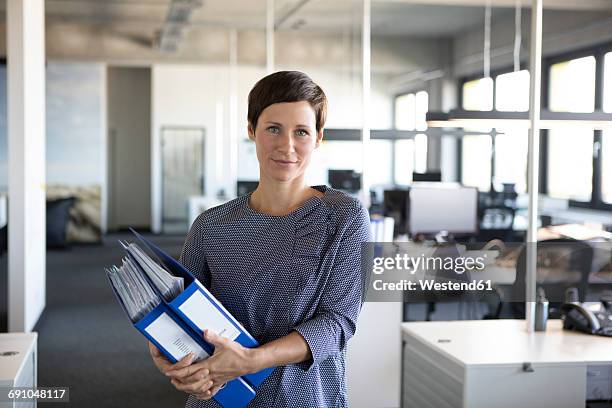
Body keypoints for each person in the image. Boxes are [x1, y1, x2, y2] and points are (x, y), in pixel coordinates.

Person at [148, 70, 372, 407]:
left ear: (318, 138)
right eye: (273, 129)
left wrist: (252, 361)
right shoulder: (210, 226)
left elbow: (338, 323)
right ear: (251, 130)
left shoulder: (345, 217)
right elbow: (177, 311)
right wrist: (167, 356)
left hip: (302, 398)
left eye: (301, 132)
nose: (287, 146)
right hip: (219, 396)